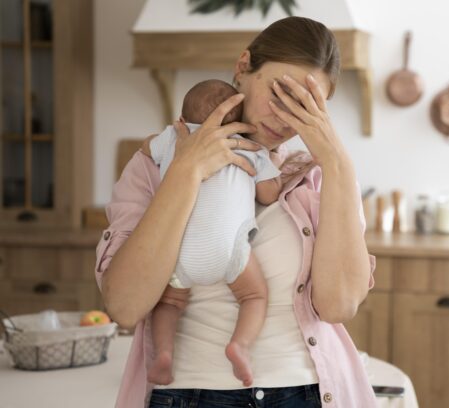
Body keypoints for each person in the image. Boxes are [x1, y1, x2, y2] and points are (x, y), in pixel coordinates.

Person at [95, 16, 377, 408]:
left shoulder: (317, 178)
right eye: (280, 96)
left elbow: (338, 305)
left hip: (307, 393)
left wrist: (337, 162)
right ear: (243, 67)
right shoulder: (155, 165)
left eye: (306, 108)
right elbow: (125, 306)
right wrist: (186, 171)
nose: (284, 119)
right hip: (186, 395)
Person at [143, 79, 283, 387]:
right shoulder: (250, 148)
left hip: (178, 249)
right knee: (254, 295)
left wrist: (169, 137)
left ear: (182, 120)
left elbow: (145, 150)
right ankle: (240, 346)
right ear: (242, 123)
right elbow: (270, 195)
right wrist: (272, 165)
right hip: (228, 249)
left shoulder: (173, 138)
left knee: (168, 303)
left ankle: (163, 354)